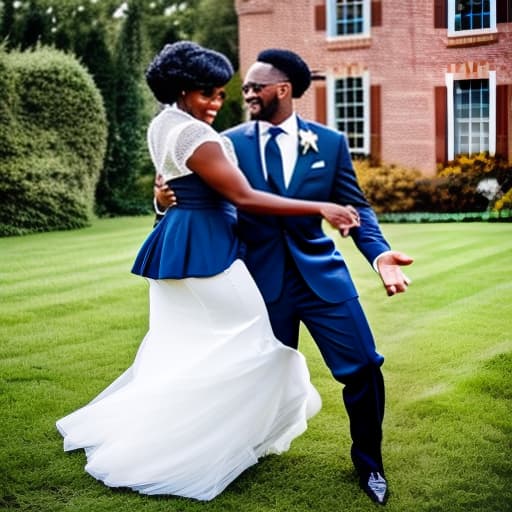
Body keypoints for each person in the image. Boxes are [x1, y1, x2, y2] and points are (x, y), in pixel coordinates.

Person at [55, 41, 362, 502]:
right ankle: (209, 444)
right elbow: (243, 197)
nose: (217, 104)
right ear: (181, 90)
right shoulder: (196, 136)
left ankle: (210, 433)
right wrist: (321, 205)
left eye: (221, 94)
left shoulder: (163, 125)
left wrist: (160, 202)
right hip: (207, 252)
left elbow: (175, 188)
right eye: (206, 94)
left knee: (193, 349)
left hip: (182, 243)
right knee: (260, 346)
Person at [155, 48, 413, 505]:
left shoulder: (329, 143)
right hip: (256, 283)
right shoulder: (224, 140)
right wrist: (162, 202)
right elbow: (202, 200)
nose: (246, 93)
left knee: (365, 367)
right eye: (245, 87)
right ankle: (239, 451)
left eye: (255, 86)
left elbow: (359, 207)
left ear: (283, 89)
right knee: (252, 374)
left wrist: (378, 255)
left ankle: (369, 463)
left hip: (323, 279)